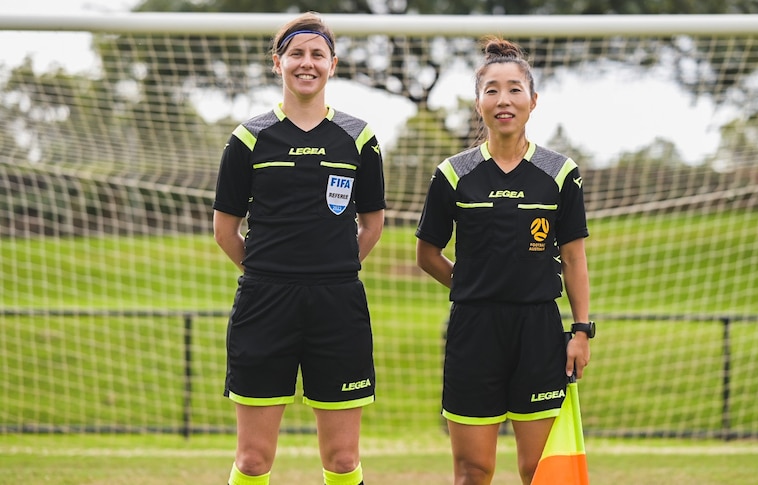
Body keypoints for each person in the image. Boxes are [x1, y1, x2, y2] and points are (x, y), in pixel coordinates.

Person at [212, 12, 385, 485]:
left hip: (338, 302)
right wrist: (269, 272)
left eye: (317, 54)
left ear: (333, 64)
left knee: (344, 459)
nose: (306, 63)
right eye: (296, 54)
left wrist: (332, 267)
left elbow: (372, 224)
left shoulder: (360, 138)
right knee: (252, 460)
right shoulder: (249, 138)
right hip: (264, 302)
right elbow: (224, 230)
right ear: (278, 62)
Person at [415, 35, 592, 485]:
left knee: (537, 471)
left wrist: (581, 331)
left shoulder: (560, 173)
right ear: (479, 103)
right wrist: (471, 285)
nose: (503, 99)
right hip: (473, 331)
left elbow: (574, 258)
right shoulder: (454, 174)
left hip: (538, 331)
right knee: (473, 471)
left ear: (533, 101)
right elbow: (427, 253)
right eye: (491, 89)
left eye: (514, 89)